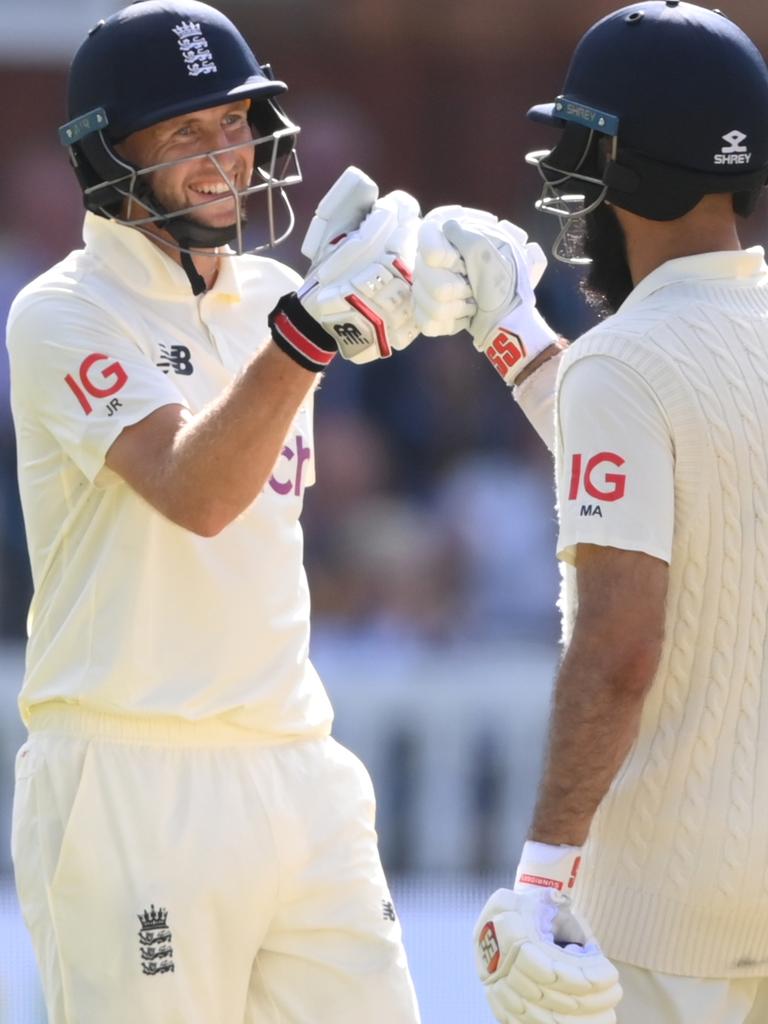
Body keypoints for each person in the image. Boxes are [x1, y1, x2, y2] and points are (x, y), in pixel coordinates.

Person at [5, 2, 422, 1022]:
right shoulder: (63, 311)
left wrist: (460, 292)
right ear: (110, 153)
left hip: (296, 761)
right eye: (187, 130)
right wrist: (312, 334)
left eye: (235, 121)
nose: (225, 154)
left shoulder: (275, 294)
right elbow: (197, 493)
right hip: (132, 773)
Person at [414, 2, 768, 1022]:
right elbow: (683, 464)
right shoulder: (664, 357)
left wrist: (541, 880)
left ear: (622, 171)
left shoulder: (626, 361)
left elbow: (619, 643)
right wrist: (511, 331)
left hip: (664, 906)